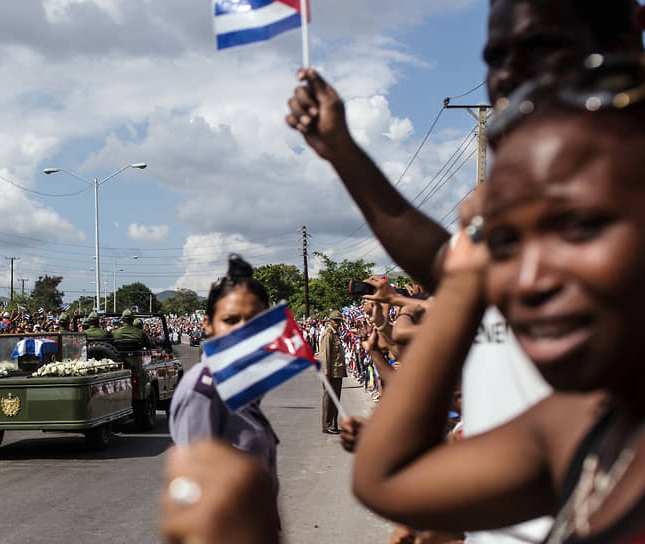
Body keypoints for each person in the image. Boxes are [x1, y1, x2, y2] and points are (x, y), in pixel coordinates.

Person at [350, 68, 645, 542]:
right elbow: (387, 479)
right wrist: (465, 279)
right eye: (506, 243)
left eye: (581, 227)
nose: (529, 281)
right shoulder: (582, 425)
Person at [168, 254, 280, 494]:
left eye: (254, 320)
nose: (243, 329)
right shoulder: (202, 393)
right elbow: (194, 498)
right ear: (208, 324)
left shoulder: (240, 384)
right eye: (230, 320)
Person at [318, 310, 346, 435]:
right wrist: (325, 373)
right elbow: (325, 356)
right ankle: (328, 425)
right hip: (331, 373)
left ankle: (333, 424)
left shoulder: (335, 334)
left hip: (337, 372)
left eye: (339, 320)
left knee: (335, 400)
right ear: (330, 320)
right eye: (335, 320)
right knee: (329, 399)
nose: (338, 323)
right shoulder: (328, 334)